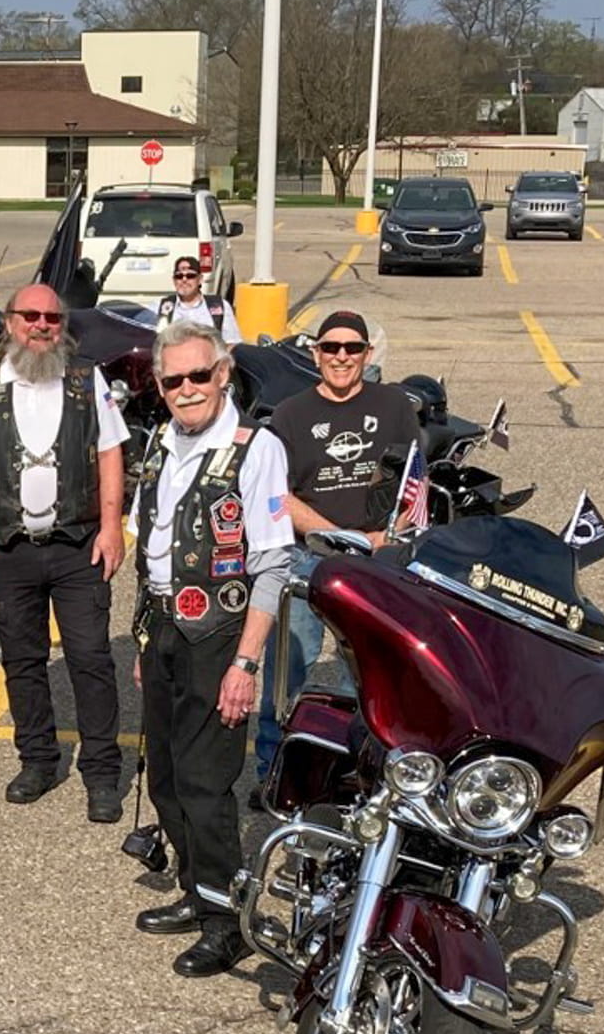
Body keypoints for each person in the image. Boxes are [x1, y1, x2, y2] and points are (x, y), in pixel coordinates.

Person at [128, 321, 293, 976]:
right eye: (175, 380)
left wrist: (245, 663)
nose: (188, 389)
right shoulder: (159, 444)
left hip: (220, 638)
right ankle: (197, 893)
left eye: (201, 375)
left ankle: (229, 920)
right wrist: (146, 638)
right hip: (164, 627)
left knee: (205, 783)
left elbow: (273, 563)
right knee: (167, 778)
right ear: (160, 386)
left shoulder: (256, 449)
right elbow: (153, 549)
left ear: (224, 374)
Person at [0, 282, 129, 820]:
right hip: (8, 549)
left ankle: (101, 774)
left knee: (91, 660)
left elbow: (110, 453)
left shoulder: (85, 379)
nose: (42, 325)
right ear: (9, 322)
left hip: (78, 545)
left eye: (52, 316)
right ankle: (38, 761)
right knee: (23, 662)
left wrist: (112, 526)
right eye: (30, 315)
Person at [252, 310, 423, 791]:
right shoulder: (290, 413)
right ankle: (272, 768)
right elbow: (276, 497)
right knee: (289, 672)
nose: (341, 357)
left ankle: (354, 773)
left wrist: (389, 536)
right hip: (309, 558)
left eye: (352, 348)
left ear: (368, 354)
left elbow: (414, 479)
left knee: (370, 677)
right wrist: (341, 539)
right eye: (331, 348)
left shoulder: (394, 406)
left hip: (377, 560)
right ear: (315, 353)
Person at [154, 255, 243, 345]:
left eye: (190, 276)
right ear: (174, 281)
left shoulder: (220, 306)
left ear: (200, 279)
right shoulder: (160, 307)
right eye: (179, 276)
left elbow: (232, 344)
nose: (184, 279)